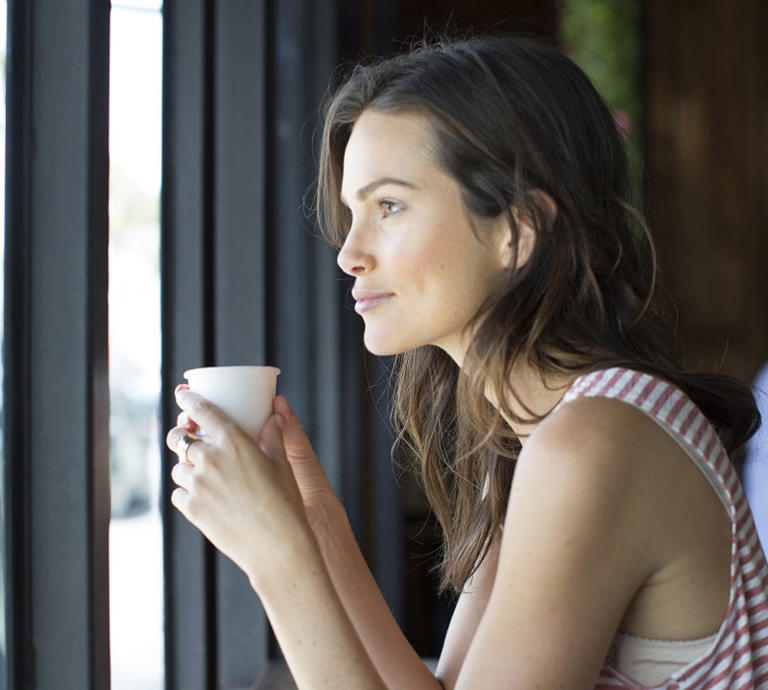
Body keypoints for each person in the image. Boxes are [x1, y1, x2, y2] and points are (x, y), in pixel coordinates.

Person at [166, 35, 767, 689]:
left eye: (388, 206)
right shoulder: (537, 434)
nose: (349, 253)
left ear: (517, 230)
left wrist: (276, 560)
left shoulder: (592, 443)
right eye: (351, 212)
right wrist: (313, 521)